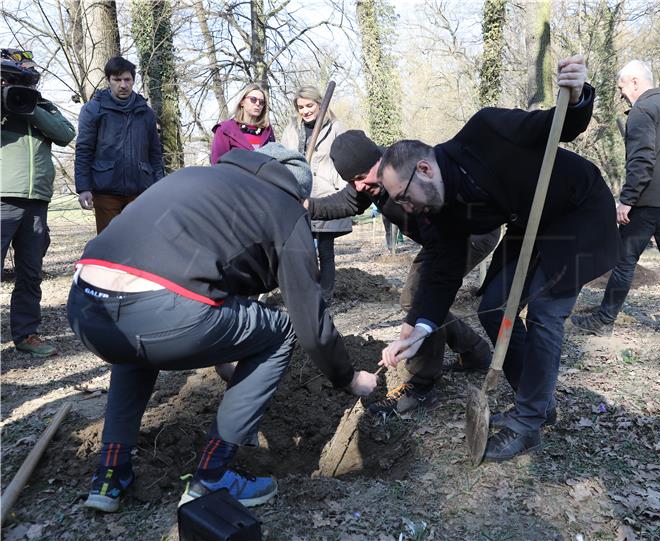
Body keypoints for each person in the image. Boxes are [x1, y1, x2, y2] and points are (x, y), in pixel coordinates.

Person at [67, 148, 378, 513]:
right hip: (162, 314)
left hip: (86, 305)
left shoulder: (199, 179)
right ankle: (214, 473)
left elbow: (215, 274)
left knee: (135, 347)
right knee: (281, 331)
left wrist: (227, 353)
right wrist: (348, 377)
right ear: (299, 192)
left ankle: (110, 473)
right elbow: (309, 319)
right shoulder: (286, 208)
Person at [376, 56, 621, 462]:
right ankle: (537, 400)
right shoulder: (439, 208)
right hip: (530, 222)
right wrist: (420, 326)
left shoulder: (485, 131)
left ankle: (528, 422)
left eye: (404, 196)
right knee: (493, 307)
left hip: (576, 211)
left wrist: (576, 97)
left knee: (545, 311)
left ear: (424, 168)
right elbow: (442, 270)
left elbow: (555, 125)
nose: (406, 208)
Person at [306, 130, 499, 416]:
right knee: (420, 304)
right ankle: (474, 351)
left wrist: (417, 318)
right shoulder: (368, 182)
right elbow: (346, 202)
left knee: (417, 299)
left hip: (470, 233)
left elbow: (441, 249)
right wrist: (307, 206)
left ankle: (422, 382)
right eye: (351, 181)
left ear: (378, 160)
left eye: (361, 177)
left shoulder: (402, 170)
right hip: (438, 241)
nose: (358, 187)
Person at [570, 60, 660, 356]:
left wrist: (627, 199)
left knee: (623, 263)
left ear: (635, 82)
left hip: (647, 203)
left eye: (622, 87)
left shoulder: (642, 111)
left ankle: (603, 321)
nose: (621, 94)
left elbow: (642, 160)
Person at [1, 48, 75, 356]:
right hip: (2, 197)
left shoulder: (42, 105)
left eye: (29, 80)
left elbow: (66, 133)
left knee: (30, 272)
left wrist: (32, 109)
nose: (24, 86)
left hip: (37, 201)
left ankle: (26, 335)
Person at [74, 56, 164, 233]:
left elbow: (155, 153)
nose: (123, 85)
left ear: (133, 80)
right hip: (105, 190)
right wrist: (83, 188)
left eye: (127, 79)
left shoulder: (145, 112)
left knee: (139, 244)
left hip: (140, 192)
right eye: (117, 80)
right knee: (110, 246)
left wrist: (159, 186)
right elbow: (84, 150)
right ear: (108, 80)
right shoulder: (93, 109)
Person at [281, 85, 349, 304]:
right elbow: (283, 157)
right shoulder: (292, 127)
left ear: (320, 104)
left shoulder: (335, 126)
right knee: (303, 249)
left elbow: (345, 158)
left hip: (325, 193)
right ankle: (307, 293)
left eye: (309, 105)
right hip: (298, 194)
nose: (305, 111)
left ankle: (325, 296)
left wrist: (341, 187)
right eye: (300, 107)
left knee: (326, 250)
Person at [210, 83, 275, 164]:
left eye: (261, 102)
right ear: (242, 102)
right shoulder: (225, 129)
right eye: (253, 99)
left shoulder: (267, 130)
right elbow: (217, 164)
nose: (258, 104)